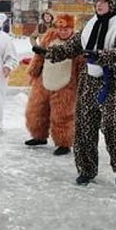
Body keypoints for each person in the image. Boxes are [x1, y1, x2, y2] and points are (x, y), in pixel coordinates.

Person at [33, 0, 116, 186]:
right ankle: (86, 169)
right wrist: (48, 53)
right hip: (89, 80)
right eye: (96, 1)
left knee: (112, 125)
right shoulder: (90, 25)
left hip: (113, 81)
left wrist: (102, 56)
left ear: (112, 3)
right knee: (85, 127)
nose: (99, 4)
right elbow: (72, 47)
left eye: (103, 1)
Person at [24, 13, 84, 155]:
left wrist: (82, 83)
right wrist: (34, 70)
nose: (63, 31)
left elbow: (81, 64)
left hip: (66, 84)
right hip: (45, 79)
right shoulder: (49, 37)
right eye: (60, 28)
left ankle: (64, 142)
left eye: (66, 29)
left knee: (62, 115)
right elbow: (39, 55)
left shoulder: (77, 41)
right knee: (36, 110)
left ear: (71, 28)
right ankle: (38, 136)